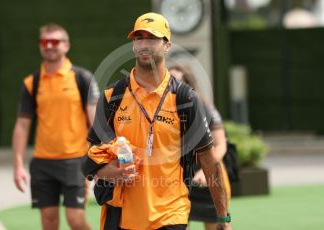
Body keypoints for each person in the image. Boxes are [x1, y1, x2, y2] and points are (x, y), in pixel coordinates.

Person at [84, 13, 231, 230]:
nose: (144, 44)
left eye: (152, 38)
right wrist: (110, 172)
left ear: (167, 46)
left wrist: (223, 219)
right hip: (121, 214)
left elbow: (210, 162)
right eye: (139, 38)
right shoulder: (112, 97)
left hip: (170, 213)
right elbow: (90, 157)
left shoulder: (185, 99)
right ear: (133, 46)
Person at [12, 23, 99, 230]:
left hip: (75, 161)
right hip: (43, 163)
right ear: (40, 46)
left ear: (66, 45)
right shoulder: (31, 82)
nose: (50, 46)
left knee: (75, 220)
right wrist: (17, 165)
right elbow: (22, 126)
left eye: (55, 41)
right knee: (49, 222)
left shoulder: (82, 78)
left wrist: (97, 159)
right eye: (45, 42)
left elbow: (96, 122)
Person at [169, 66, 231, 230]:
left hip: (207, 178)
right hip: (178, 180)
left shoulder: (205, 107)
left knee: (217, 224)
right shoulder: (162, 110)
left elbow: (220, 144)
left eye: (177, 81)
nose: (172, 86)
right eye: (169, 82)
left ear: (189, 85)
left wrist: (205, 170)